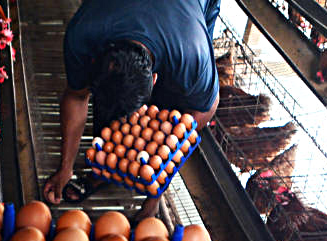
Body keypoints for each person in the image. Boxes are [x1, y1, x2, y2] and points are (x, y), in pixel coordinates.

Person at [43, 0, 221, 219]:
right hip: (140, 15)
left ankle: (132, 174)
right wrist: (65, 168)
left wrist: (156, 189)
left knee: (172, 111)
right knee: (112, 104)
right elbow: (76, 96)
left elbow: (204, 109)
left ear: (155, 78)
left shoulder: (192, 55)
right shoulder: (83, 33)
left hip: (187, 15)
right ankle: (103, 171)